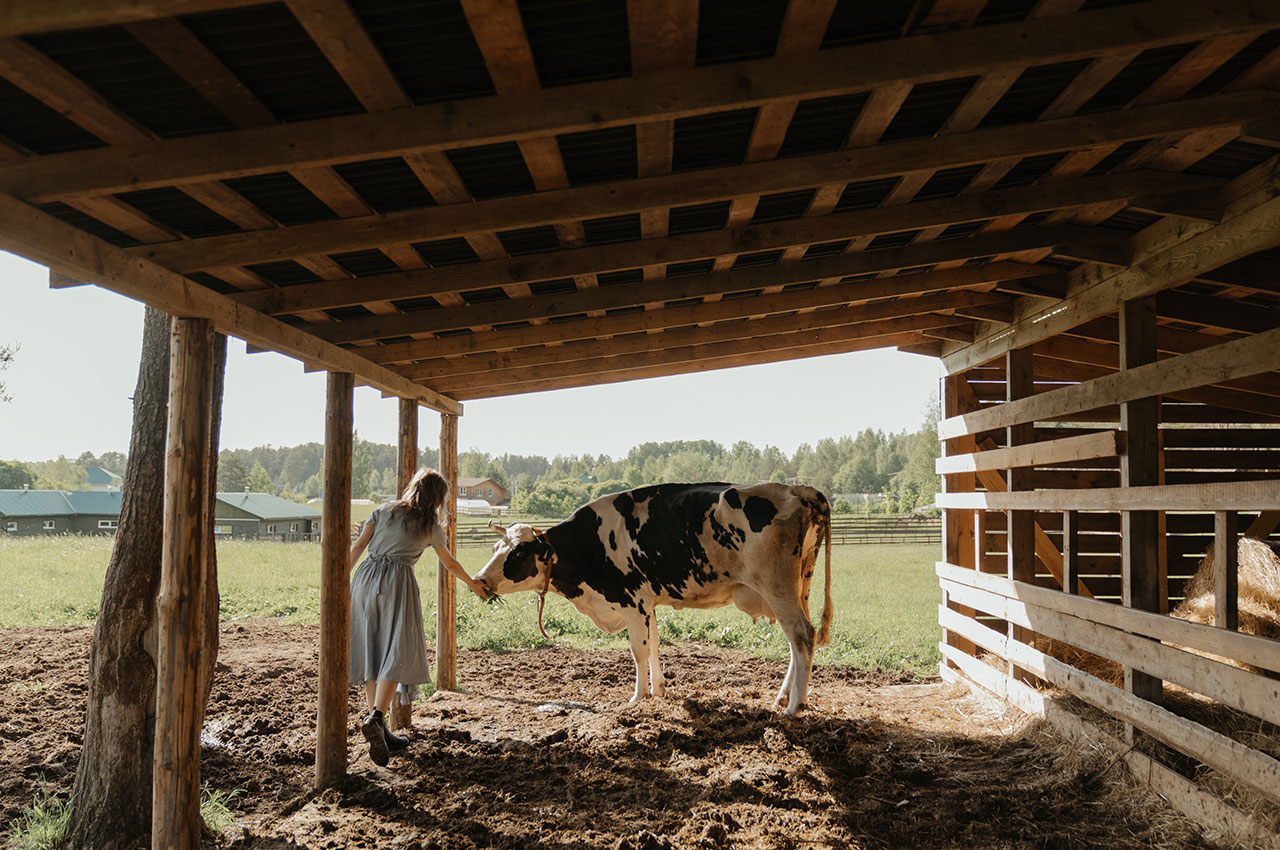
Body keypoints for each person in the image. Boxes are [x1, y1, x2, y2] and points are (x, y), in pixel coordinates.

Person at [347, 467, 487, 767]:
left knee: (372, 650)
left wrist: (335, 580)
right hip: (397, 583)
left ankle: (379, 729)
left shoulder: (382, 511)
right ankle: (377, 717)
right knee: (397, 651)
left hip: (364, 580)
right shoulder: (431, 526)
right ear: (438, 498)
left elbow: (358, 547)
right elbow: (449, 563)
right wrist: (473, 584)